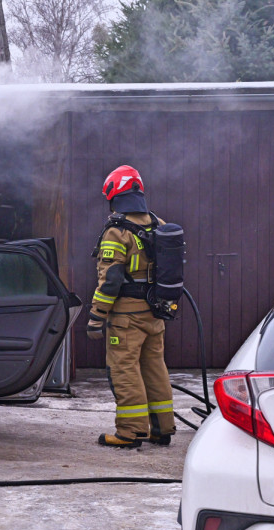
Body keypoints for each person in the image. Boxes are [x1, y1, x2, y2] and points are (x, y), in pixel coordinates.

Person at [86, 165, 174, 448]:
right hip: (155, 313)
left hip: (126, 317)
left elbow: (110, 280)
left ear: (114, 194)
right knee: (154, 368)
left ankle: (130, 432)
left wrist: (96, 316)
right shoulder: (158, 224)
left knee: (124, 369)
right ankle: (162, 428)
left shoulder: (117, 232)